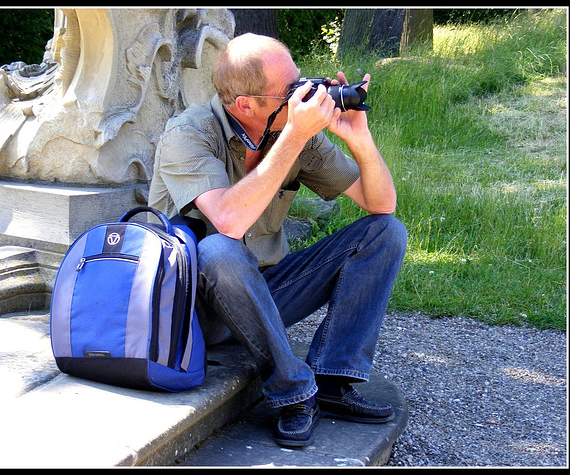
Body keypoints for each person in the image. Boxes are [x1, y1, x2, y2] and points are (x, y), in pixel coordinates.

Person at [147, 33, 407, 447]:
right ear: (247, 105)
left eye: (303, 81)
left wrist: (359, 138)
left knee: (385, 233)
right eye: (291, 90)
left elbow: (382, 204)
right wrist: (292, 139)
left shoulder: (290, 130)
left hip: (264, 294)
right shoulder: (189, 133)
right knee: (216, 249)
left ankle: (335, 382)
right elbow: (229, 222)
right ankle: (294, 394)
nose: (306, 95)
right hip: (196, 309)